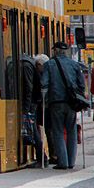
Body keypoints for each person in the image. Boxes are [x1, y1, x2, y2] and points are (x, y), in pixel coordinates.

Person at [41, 41, 85, 170]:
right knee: (71, 131)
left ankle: (63, 162)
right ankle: (71, 162)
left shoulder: (49, 64)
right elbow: (81, 84)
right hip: (71, 102)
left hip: (56, 102)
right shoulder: (74, 65)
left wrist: (44, 99)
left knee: (58, 131)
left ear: (55, 50)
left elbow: (44, 83)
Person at [20, 53, 42, 165]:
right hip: (32, 103)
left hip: (30, 104)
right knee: (33, 129)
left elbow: (28, 88)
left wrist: (26, 109)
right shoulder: (29, 65)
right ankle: (41, 158)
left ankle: (41, 158)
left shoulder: (26, 65)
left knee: (32, 129)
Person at [34, 54, 53, 164]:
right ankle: (54, 156)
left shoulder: (44, 75)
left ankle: (52, 156)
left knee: (49, 130)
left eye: (37, 65)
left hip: (46, 105)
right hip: (48, 105)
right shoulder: (49, 72)